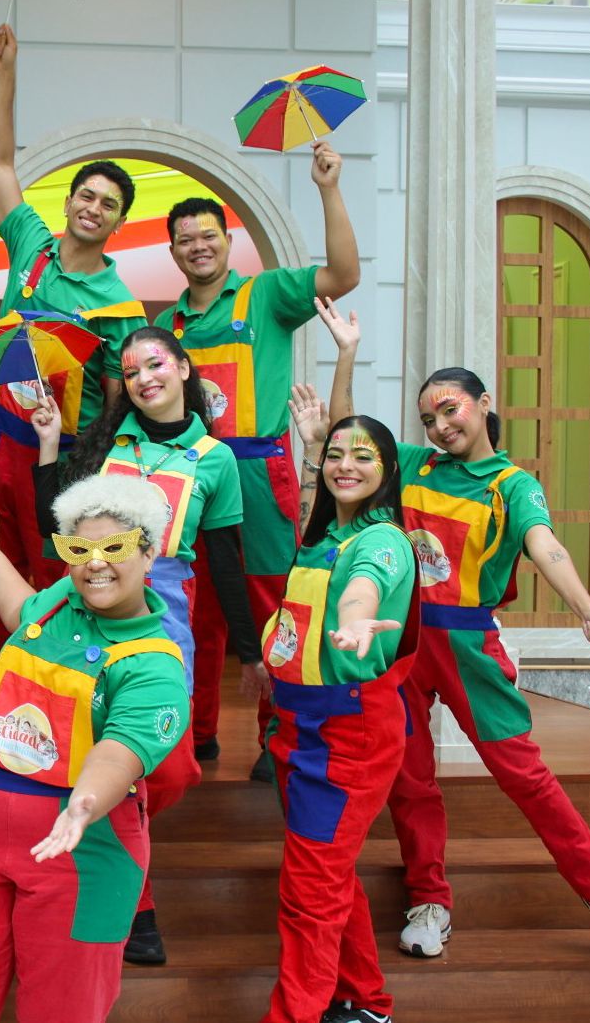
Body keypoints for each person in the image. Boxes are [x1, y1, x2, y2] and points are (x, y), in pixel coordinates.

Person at [304, 308, 590, 962]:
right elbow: (346, 435)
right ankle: (429, 900)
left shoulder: (513, 485)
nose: (440, 425)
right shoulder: (413, 466)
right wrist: (347, 353)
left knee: (524, 776)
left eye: (450, 410)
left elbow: (545, 546)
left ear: (483, 405)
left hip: (472, 649)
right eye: (429, 418)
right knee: (411, 778)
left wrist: (587, 609)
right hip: (404, 642)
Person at [0, 474, 188, 1023]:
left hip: (79, 848)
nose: (95, 564)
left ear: (150, 551)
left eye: (116, 547)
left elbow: (119, 751)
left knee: (63, 1009)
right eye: (78, 550)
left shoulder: (155, 664)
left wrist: (85, 801)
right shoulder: (63, 599)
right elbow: (24, 615)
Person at [31, 326, 266, 964]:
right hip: (86, 601)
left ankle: (99, 846)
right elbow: (52, 522)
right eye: (131, 371)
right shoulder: (107, 443)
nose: (142, 379)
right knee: (96, 745)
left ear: (185, 369)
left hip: (163, 611)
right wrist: (52, 446)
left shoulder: (215, 459)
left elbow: (224, 561)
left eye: (154, 364)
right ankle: (135, 909)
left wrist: (250, 652)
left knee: (169, 764)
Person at [153, 140, 360, 781]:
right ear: (173, 252)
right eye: (185, 239)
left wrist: (328, 187)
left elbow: (343, 276)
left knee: (273, 606)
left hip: (258, 472)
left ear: (226, 241)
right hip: (191, 474)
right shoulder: (167, 325)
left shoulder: (265, 295)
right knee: (197, 609)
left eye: (208, 235)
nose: (198, 247)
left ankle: (278, 737)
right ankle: (195, 739)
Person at [0, 22, 150, 666]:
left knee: (56, 583)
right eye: (87, 194)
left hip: (63, 456)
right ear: (70, 200)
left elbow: (119, 398)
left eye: (109, 203)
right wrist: (5, 77)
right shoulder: (31, 248)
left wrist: (84, 470)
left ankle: (52, 705)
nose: (94, 207)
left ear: (120, 221)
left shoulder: (121, 305)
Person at [259, 385, 417, 1023]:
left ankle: (294, 1015)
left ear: (387, 472)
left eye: (364, 456)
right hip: (297, 725)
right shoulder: (326, 532)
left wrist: (356, 621)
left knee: (308, 891)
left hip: (347, 733)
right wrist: (311, 446)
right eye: (336, 456)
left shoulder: (381, 543)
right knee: (327, 871)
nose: (346, 465)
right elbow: (314, 514)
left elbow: (363, 588)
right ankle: (368, 1002)